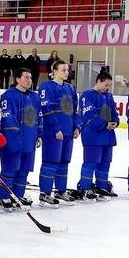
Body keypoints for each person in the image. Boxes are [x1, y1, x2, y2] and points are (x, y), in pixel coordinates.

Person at [38, 59, 80, 203]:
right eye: (63, 70)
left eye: (67, 70)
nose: (66, 72)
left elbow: (75, 110)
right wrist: (56, 128)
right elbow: (46, 110)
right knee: (51, 162)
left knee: (64, 162)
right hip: (52, 132)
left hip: (68, 132)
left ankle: (61, 191)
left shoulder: (70, 88)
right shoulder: (46, 87)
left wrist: (76, 126)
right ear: (54, 71)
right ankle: (45, 193)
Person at [0, 66, 41, 207]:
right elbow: (8, 118)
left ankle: (18, 196)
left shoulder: (35, 96)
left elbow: (38, 117)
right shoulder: (8, 96)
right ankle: (4, 196)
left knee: (24, 170)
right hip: (13, 140)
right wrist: (15, 138)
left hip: (29, 140)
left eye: (30, 77)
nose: (29, 80)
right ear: (17, 79)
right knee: (10, 169)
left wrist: (39, 135)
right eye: (26, 77)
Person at [77, 72, 118, 199]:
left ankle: (101, 186)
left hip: (107, 136)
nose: (107, 88)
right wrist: (105, 124)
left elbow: (113, 111)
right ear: (98, 81)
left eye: (109, 86)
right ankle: (85, 187)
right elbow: (89, 115)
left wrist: (115, 122)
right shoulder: (87, 95)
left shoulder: (108, 96)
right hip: (93, 136)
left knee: (105, 162)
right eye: (106, 84)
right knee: (91, 163)